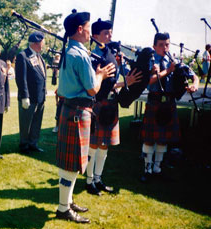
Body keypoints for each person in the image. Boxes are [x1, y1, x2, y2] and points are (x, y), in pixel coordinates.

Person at [55, 10, 115, 223]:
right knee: (71, 165)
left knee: (71, 162)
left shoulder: (70, 51)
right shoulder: (79, 55)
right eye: (89, 28)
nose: (90, 33)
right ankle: (63, 208)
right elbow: (92, 90)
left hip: (72, 111)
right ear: (80, 29)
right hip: (77, 113)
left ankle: (67, 202)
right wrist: (100, 75)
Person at [85, 19, 142, 196]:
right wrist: (125, 83)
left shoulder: (110, 54)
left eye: (110, 32)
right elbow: (99, 85)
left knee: (104, 146)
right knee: (94, 146)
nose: (110, 36)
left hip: (110, 103)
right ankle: (89, 181)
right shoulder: (94, 57)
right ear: (95, 36)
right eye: (105, 33)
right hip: (99, 103)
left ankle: (98, 178)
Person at [140, 32, 199, 182]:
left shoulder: (173, 60)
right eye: (161, 45)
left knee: (162, 139)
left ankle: (158, 168)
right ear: (154, 46)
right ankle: (147, 169)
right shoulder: (151, 61)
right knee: (149, 139)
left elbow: (193, 75)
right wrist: (168, 71)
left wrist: (195, 84)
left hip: (169, 103)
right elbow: (149, 81)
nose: (165, 48)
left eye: (167, 44)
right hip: (155, 102)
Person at [15, 31, 47, 154]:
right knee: (26, 123)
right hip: (29, 97)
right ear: (35, 43)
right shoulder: (23, 56)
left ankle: (33, 143)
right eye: (42, 43)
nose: (43, 45)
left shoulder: (39, 56)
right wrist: (24, 96)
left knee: (36, 122)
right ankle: (24, 145)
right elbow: (21, 78)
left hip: (40, 97)